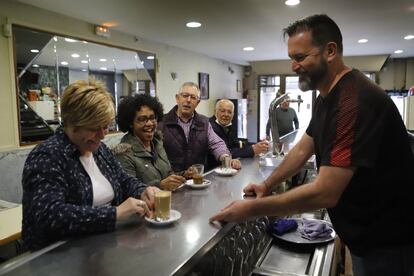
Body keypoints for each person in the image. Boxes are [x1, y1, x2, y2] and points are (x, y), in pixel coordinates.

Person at [210, 14, 414, 275]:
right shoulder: (327, 95)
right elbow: (303, 149)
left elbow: (325, 192)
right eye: (291, 58)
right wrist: (266, 185)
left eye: (300, 57)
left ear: (330, 51)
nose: (294, 66)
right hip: (366, 229)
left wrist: (252, 209)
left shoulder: (353, 102)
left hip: (386, 238)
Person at [22, 79, 159, 251]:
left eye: (106, 126)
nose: (102, 135)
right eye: (95, 128)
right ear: (72, 123)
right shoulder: (47, 157)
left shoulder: (99, 149)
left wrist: (142, 190)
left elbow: (123, 179)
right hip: (61, 256)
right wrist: (114, 214)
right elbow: (50, 215)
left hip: (102, 248)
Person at [157, 82, 241, 175]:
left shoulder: (204, 123)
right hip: (171, 182)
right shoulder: (161, 123)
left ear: (197, 102)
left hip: (198, 181)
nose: (188, 100)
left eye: (193, 97)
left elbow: (216, 144)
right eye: (185, 95)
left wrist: (226, 158)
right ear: (177, 98)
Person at [114, 94, 186, 191]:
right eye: (142, 120)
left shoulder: (157, 143)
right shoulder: (124, 154)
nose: (149, 123)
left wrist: (184, 175)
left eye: (152, 118)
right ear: (131, 123)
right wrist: (159, 186)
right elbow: (127, 191)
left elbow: (168, 174)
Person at [208, 99, 269, 168]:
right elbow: (227, 151)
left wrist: (257, 145)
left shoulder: (228, 125)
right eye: (222, 111)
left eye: (229, 112)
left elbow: (236, 143)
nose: (226, 114)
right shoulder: (210, 127)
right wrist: (252, 150)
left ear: (233, 115)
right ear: (215, 111)